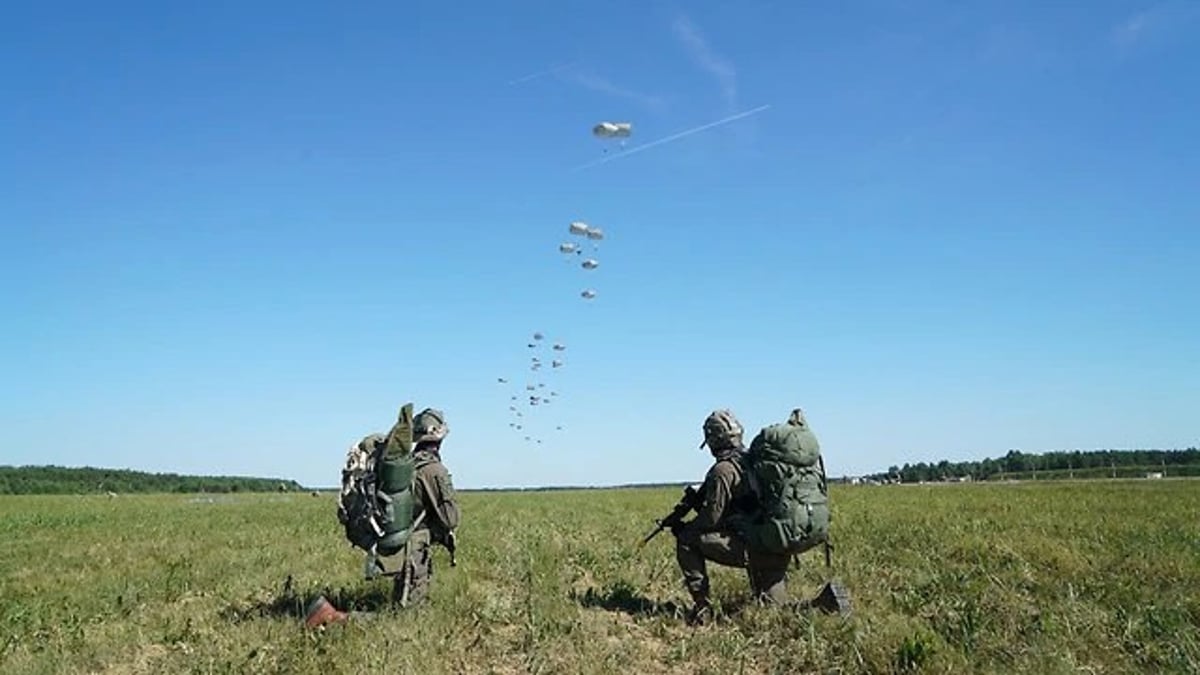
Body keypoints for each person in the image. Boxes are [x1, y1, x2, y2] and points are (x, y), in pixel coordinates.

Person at [672, 409, 793, 625]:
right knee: (778, 611)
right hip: (778, 546)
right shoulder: (753, 461)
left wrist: (685, 527)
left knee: (686, 539)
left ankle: (702, 610)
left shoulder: (723, 470)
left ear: (713, 440)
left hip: (756, 548)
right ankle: (825, 605)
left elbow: (711, 519)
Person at [393, 407, 461, 606]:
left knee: (400, 603)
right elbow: (451, 519)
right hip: (414, 546)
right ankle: (335, 617)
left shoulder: (405, 465)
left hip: (400, 543)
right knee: (408, 614)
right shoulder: (433, 469)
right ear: (439, 439)